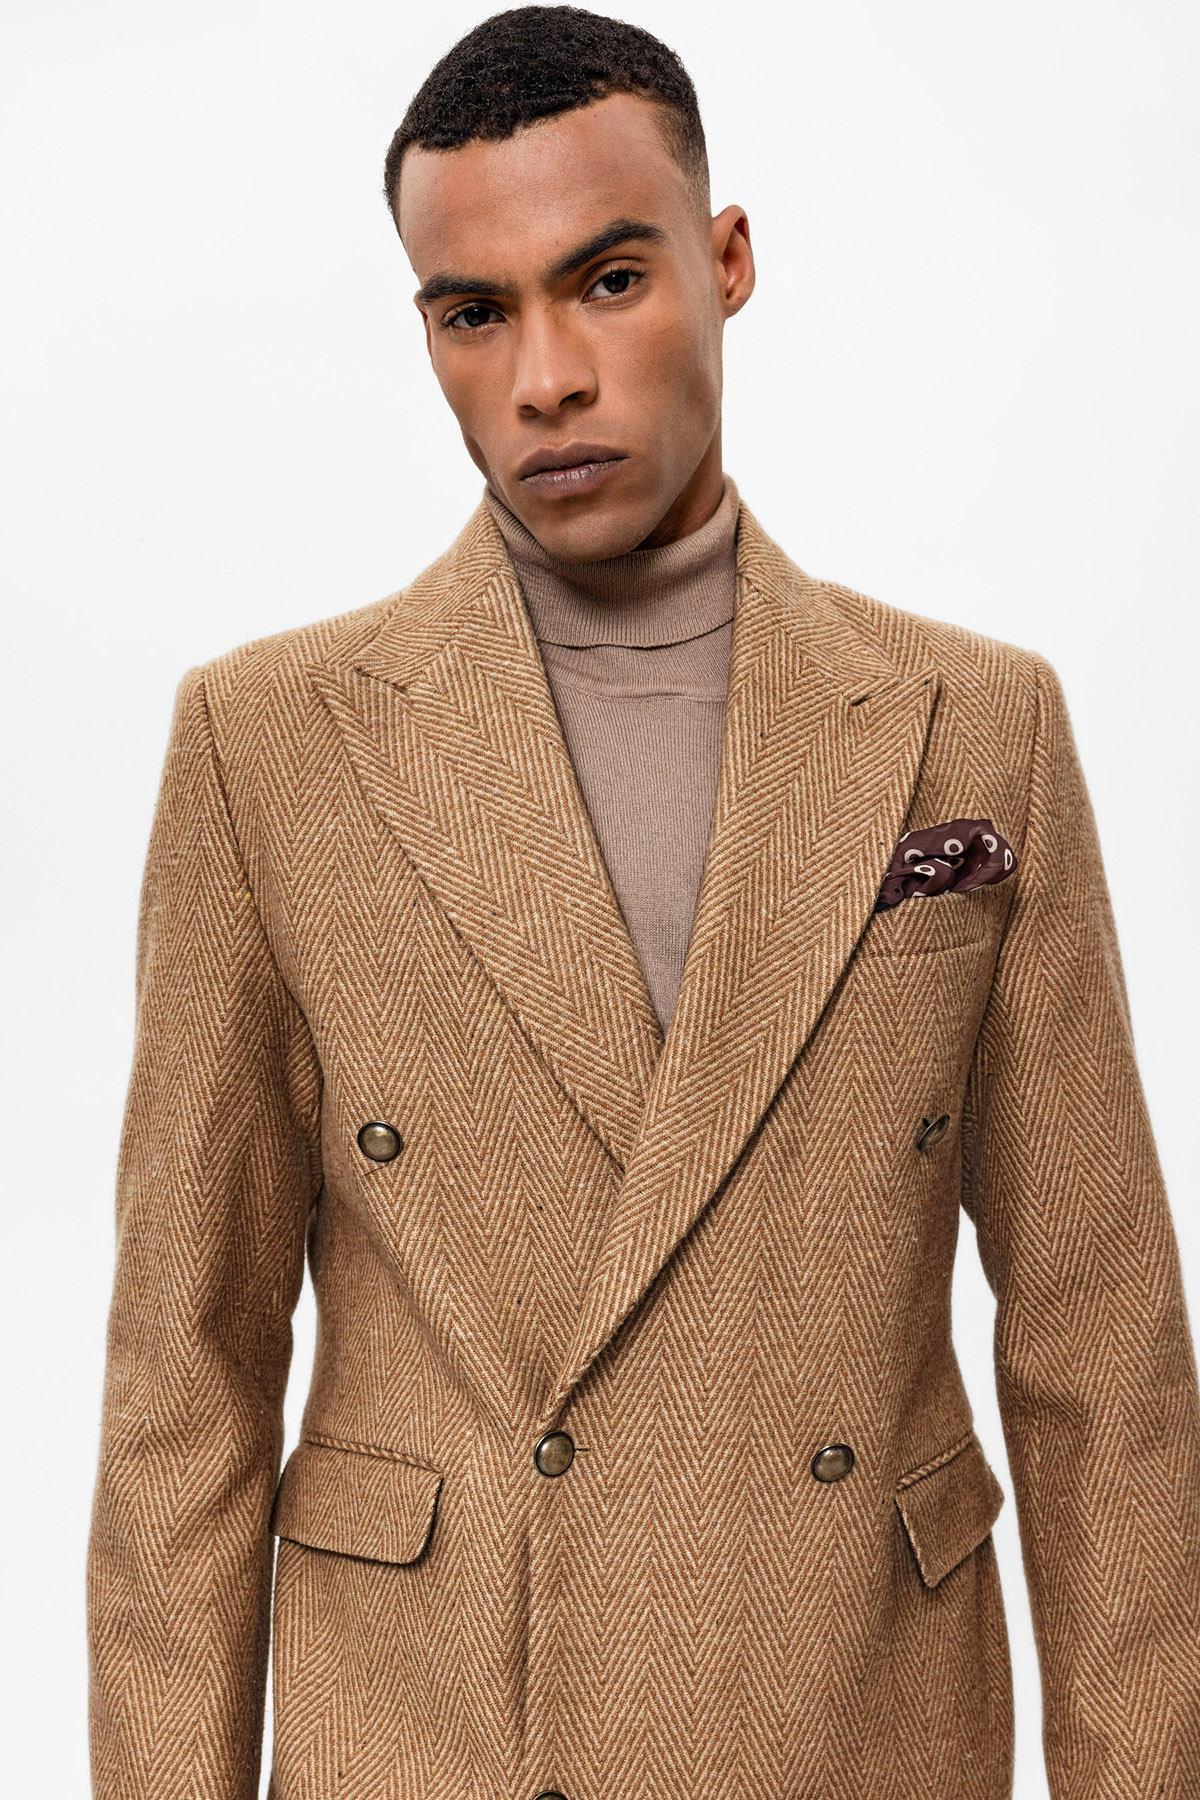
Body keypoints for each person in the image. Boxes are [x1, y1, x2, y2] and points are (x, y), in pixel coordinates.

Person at [86, 8, 1200, 1797]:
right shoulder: (269, 743)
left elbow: (1101, 1354)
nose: (547, 377)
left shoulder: (975, 723)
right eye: (474, 312)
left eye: (609, 281)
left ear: (727, 261)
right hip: (435, 1737)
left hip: (856, 1719)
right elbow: (184, 1383)